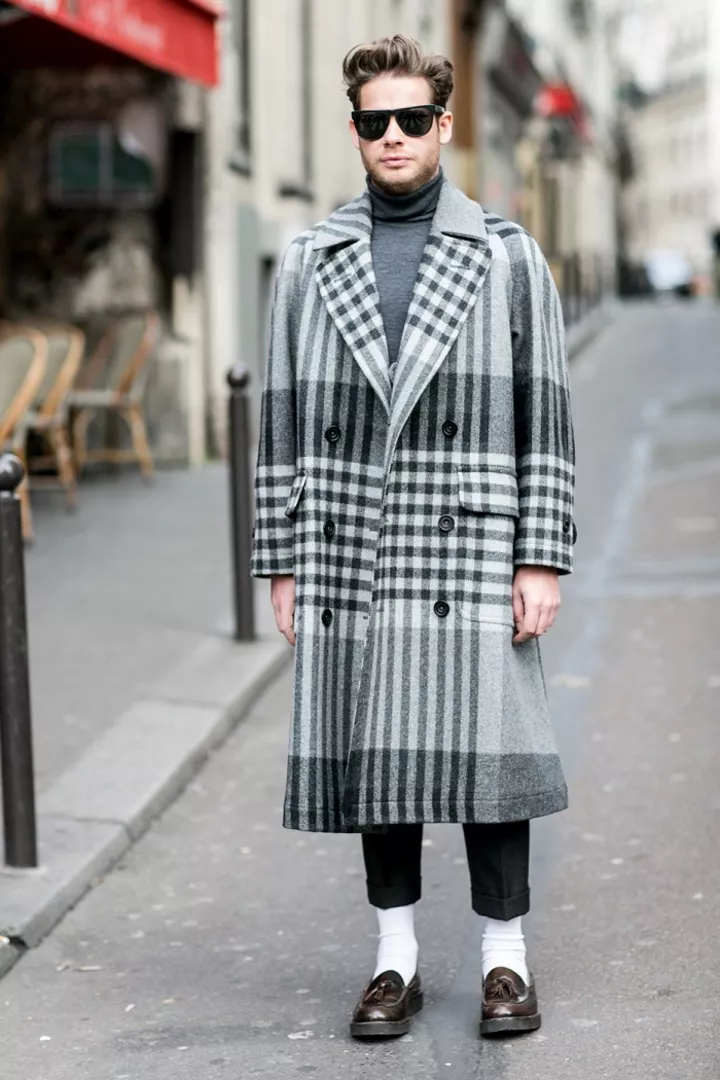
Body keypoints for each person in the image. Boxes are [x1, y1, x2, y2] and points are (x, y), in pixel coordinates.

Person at [250, 35, 576, 1040]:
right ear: (355, 130)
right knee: (377, 752)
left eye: (410, 118)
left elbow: (545, 413)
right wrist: (280, 561)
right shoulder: (309, 259)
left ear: (443, 124)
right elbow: (279, 418)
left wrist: (540, 555)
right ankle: (394, 961)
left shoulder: (508, 254)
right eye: (372, 121)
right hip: (352, 537)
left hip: (470, 539)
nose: (391, 136)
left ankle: (506, 961)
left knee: (492, 757)